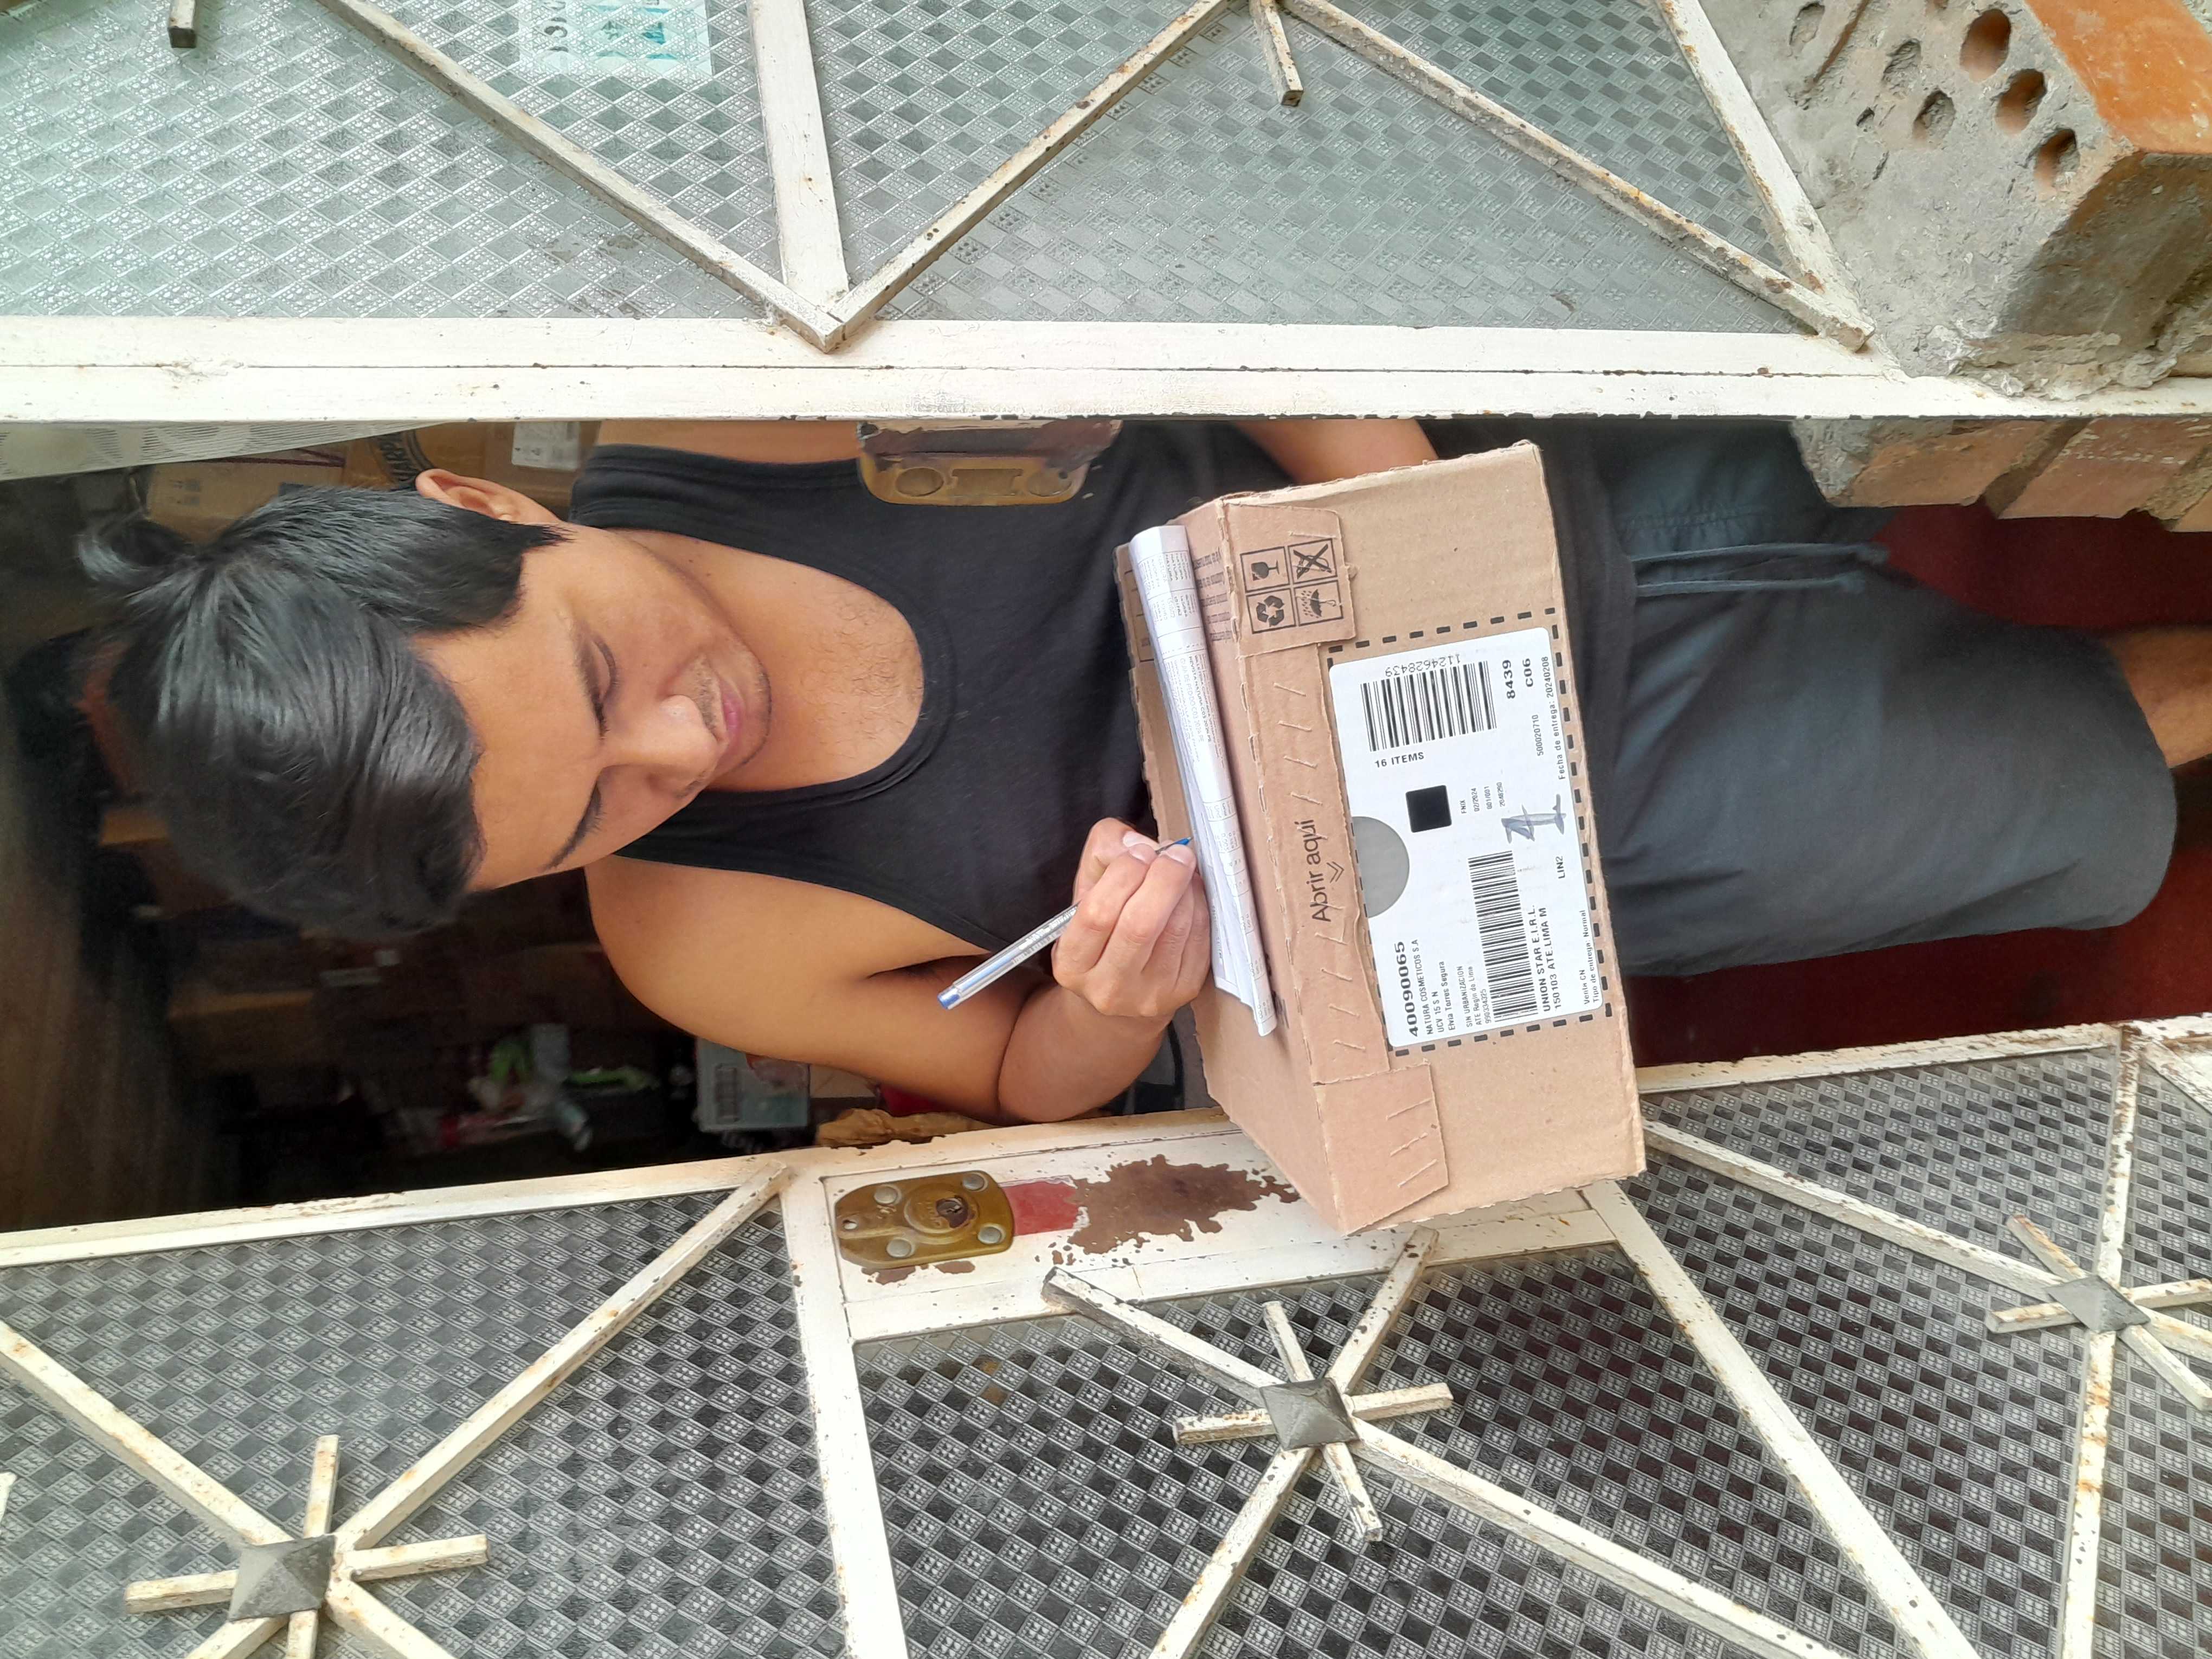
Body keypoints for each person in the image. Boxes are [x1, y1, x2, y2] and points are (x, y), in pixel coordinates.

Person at [84, 419, 2203, 1122]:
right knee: (2083, 733)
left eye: (607, 667)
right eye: (598, 811)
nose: (680, 744)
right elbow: (1026, 1078)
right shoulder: (695, 939)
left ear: (489, 503)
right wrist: (1114, 999)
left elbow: (1198, 302)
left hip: (1511, 484)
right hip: (1522, 830)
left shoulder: (739, 411)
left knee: (2041, 416)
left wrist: (1410, 546)